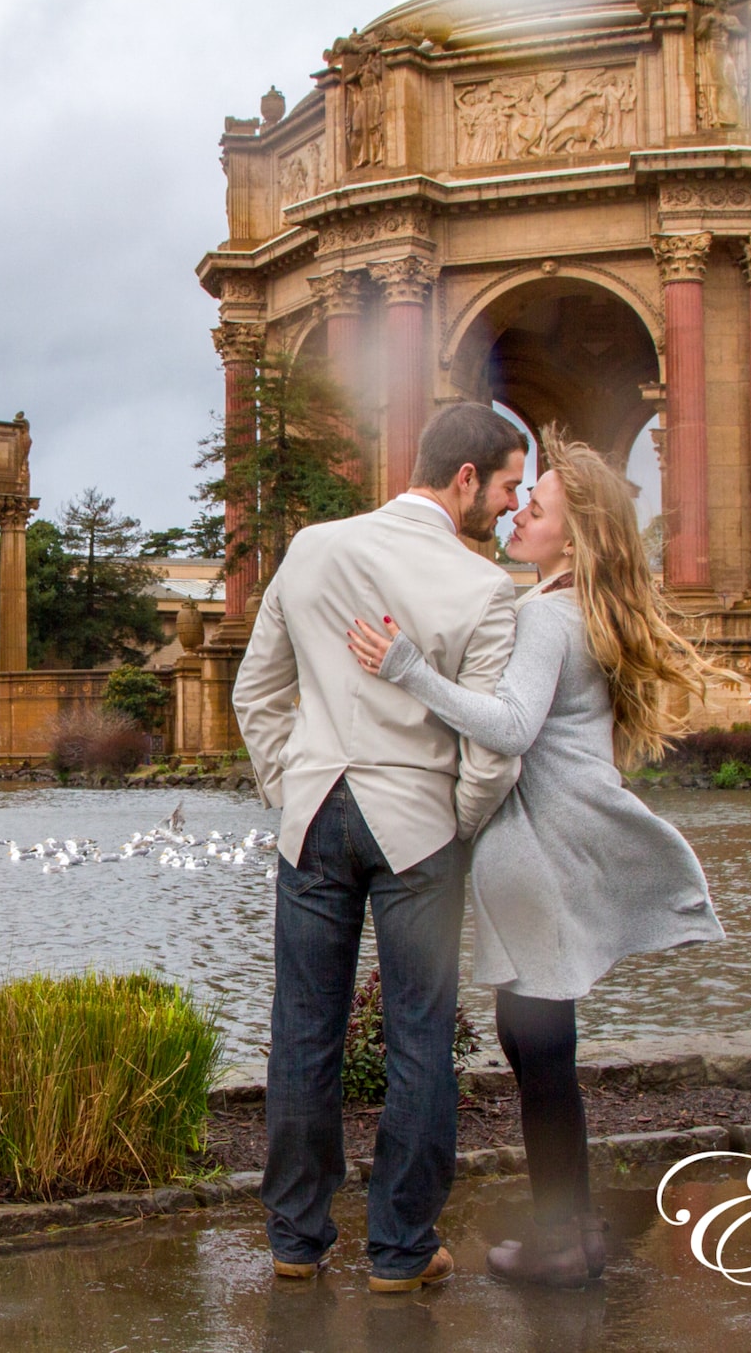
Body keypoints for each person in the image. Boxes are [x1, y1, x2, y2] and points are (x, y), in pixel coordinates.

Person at [347, 428, 727, 1287]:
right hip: (560, 849)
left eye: (540, 505)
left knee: (540, 1051)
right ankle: (576, 1228)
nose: (520, 511)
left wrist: (408, 667)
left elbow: (512, 731)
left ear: (576, 534)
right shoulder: (581, 613)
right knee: (541, 1049)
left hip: (533, 852)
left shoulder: (547, 617)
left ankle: (566, 1241)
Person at [233, 402, 527, 1293]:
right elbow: (492, 750)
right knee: (419, 1040)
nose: (513, 507)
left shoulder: (315, 547)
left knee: (303, 1030)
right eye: (510, 485)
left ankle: (296, 1240)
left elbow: (258, 692)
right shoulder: (485, 589)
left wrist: (292, 787)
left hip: (314, 813)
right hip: (417, 826)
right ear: (465, 477)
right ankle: (400, 1251)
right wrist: (457, 820)